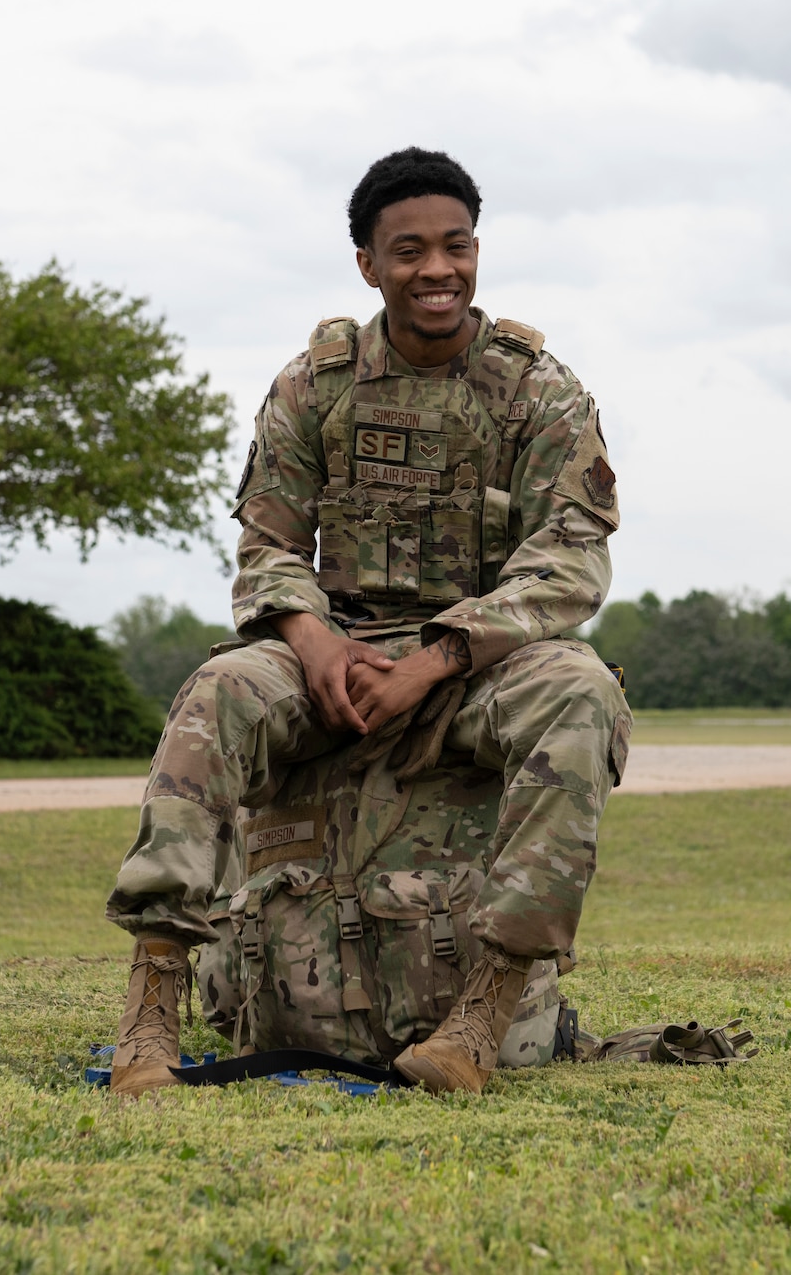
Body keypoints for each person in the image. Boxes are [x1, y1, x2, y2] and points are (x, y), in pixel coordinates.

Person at [104, 146, 629, 1095]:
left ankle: (484, 1008)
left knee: (583, 691)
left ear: (477, 250)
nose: (438, 270)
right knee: (216, 691)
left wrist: (439, 657)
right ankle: (152, 1004)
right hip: (329, 655)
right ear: (368, 264)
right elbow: (266, 547)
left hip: (472, 670)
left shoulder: (539, 392)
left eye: (457, 247)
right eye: (410, 251)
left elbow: (572, 558)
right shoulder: (316, 385)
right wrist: (311, 642)